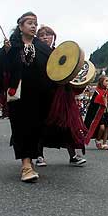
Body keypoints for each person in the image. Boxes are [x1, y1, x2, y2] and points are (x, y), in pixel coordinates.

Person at [0, 11, 54, 182]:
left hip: (40, 95)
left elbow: (55, 69)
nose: (33, 26)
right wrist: (8, 54)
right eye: (29, 23)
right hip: (18, 95)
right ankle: (26, 165)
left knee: (37, 128)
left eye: (35, 23)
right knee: (21, 127)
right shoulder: (11, 46)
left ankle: (32, 158)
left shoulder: (42, 48)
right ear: (20, 26)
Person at [36, 25, 87, 167]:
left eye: (48, 34)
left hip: (61, 95)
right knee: (41, 126)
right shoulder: (35, 54)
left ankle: (73, 156)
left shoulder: (61, 54)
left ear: (54, 37)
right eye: (41, 35)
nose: (45, 37)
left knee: (67, 126)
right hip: (42, 95)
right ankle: (39, 156)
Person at [84, 75, 108, 150]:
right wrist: (103, 97)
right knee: (102, 127)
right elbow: (94, 103)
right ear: (101, 82)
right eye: (106, 81)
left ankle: (104, 143)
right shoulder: (97, 91)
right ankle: (98, 139)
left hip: (107, 111)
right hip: (99, 113)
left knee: (107, 127)